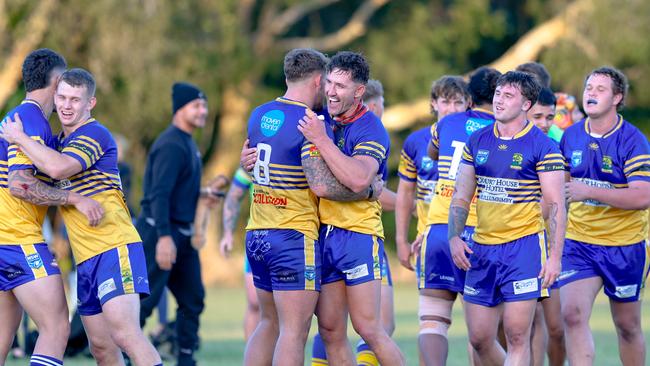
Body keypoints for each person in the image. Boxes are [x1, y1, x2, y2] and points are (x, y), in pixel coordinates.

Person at [1, 68, 162, 366]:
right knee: (101, 348)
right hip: (86, 259)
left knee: (126, 334)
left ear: (91, 103)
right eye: (61, 97)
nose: (66, 105)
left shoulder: (94, 134)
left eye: (75, 99)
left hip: (115, 247)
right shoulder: (57, 143)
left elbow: (58, 169)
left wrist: (20, 138)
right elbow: (33, 185)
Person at [243, 48, 385, 366]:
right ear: (319, 81)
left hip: (256, 233)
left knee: (268, 324)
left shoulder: (258, 114)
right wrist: (368, 192)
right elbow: (320, 184)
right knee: (293, 332)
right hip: (292, 235)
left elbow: (253, 166)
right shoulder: (311, 121)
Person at [450, 71, 566, 365]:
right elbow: (461, 196)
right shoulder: (477, 140)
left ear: (526, 104)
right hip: (481, 248)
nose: (499, 101)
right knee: (479, 339)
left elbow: (554, 205)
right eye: (498, 94)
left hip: (522, 249)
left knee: (517, 336)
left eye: (508, 96)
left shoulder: (542, 145)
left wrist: (554, 257)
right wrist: (454, 236)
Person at [297, 51, 405, 366]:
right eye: (329, 82)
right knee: (330, 330)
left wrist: (322, 141)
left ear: (359, 92)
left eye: (340, 86)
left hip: (358, 237)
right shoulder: (320, 116)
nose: (330, 91)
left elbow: (359, 178)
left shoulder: (371, 128)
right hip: (322, 237)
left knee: (369, 328)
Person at [0, 48, 101, 366]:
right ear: (56, 81)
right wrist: (76, 199)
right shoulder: (30, 121)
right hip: (16, 239)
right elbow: (20, 184)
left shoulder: (20, 119)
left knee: (3, 337)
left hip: (6, 239)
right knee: (57, 326)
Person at [560, 66, 650, 366]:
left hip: (625, 245)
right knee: (571, 314)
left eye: (600, 89)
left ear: (617, 97)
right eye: (588, 88)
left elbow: (642, 197)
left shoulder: (633, 140)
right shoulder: (570, 136)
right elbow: (560, 190)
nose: (591, 94)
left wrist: (591, 192)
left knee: (627, 326)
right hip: (579, 242)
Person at [415, 68, 498, 366]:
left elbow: (432, 152)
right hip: (483, 232)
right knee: (483, 334)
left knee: (433, 320)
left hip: (439, 227)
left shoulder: (448, 123)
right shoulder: (504, 130)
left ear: (470, 98)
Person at [137, 81, 219, 366]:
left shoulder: (188, 142)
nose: (203, 111)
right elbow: (159, 194)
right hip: (160, 232)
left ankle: (185, 358)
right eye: (196, 105)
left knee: (193, 298)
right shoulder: (171, 144)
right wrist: (162, 237)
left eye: (204, 105)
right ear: (180, 109)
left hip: (181, 236)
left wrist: (203, 194)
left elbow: (176, 190)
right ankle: (122, 356)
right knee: (143, 304)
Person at [525, 86, 566, 366]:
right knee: (523, 323)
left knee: (557, 326)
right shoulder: (505, 139)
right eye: (538, 116)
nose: (544, 123)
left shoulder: (557, 141)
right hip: (519, 241)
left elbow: (560, 199)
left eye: (549, 117)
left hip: (550, 240)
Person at [219, 167, 259, 340]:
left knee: (286, 311)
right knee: (255, 304)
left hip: (293, 238)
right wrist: (228, 233)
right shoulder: (252, 157)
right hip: (258, 239)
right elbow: (233, 196)